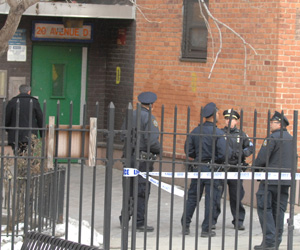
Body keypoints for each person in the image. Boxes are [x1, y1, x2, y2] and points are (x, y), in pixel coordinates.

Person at [181, 102, 229, 238]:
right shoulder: (218, 133)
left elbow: (188, 151)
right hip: (212, 168)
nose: (219, 116)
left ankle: (185, 225)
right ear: (214, 116)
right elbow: (224, 154)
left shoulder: (195, 132)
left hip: (197, 168)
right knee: (211, 199)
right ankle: (206, 229)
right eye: (218, 114)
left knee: (192, 197)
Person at [119, 91, 160, 232]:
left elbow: (122, 135)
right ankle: (139, 222)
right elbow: (152, 142)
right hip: (142, 160)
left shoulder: (131, 115)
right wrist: (159, 150)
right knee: (141, 190)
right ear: (152, 105)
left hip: (129, 157)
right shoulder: (149, 118)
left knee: (128, 188)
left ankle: (124, 217)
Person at [254, 111, 293, 250]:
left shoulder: (272, 138)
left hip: (270, 180)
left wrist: (255, 169)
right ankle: (276, 240)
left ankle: (269, 240)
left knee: (264, 207)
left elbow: (262, 158)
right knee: (279, 210)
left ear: (279, 123)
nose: (270, 124)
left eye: (272, 122)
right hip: (285, 181)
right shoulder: (291, 138)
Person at [213, 109, 254, 230]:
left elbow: (250, 148)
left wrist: (242, 153)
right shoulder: (219, 133)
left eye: (232, 119)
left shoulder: (241, 134)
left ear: (236, 121)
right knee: (216, 196)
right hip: (222, 169)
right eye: (227, 119)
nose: (229, 121)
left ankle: (238, 221)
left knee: (236, 197)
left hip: (236, 169)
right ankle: (212, 220)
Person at [5, 85, 43, 155]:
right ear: (29, 92)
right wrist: (42, 133)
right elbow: (40, 118)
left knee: (18, 156)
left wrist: (8, 129)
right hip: (30, 134)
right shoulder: (34, 102)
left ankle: (19, 165)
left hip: (15, 134)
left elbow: (7, 119)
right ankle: (26, 166)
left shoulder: (12, 102)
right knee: (28, 156)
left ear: (19, 91)